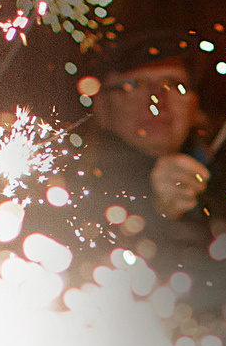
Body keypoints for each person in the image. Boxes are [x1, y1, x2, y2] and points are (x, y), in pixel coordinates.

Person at [77, 44, 215, 222]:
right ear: (101, 107)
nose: (157, 101)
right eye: (133, 85)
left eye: (174, 84)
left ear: (195, 106)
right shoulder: (74, 193)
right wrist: (156, 210)